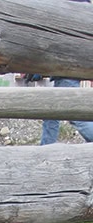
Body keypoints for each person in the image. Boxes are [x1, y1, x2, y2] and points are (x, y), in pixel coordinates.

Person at [40, 0, 93, 144]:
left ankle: (46, 147)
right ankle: (46, 147)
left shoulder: (69, 9)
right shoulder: (84, 11)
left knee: (73, 113)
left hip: (67, 68)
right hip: (66, 68)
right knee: (51, 112)